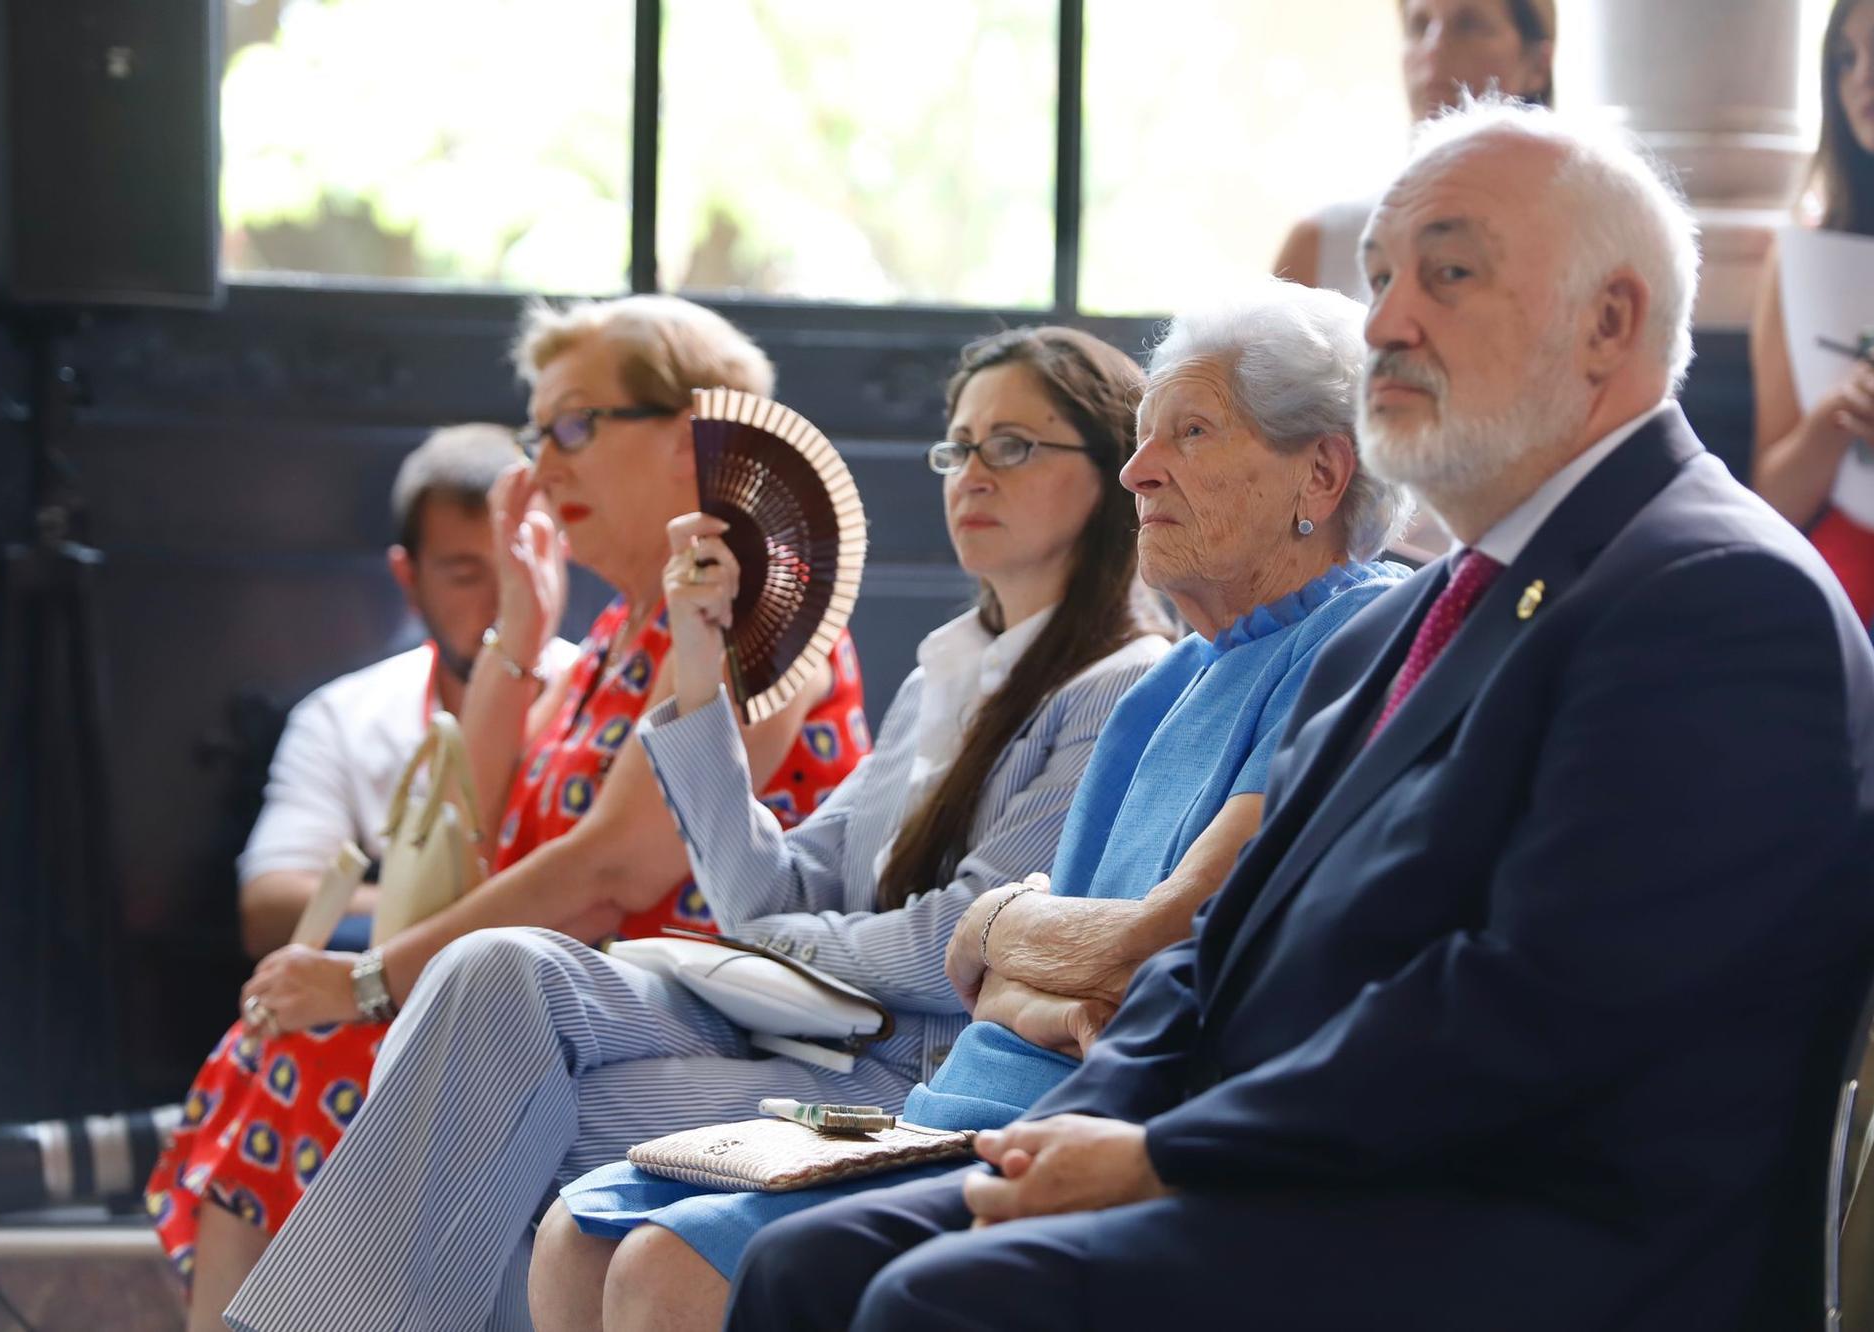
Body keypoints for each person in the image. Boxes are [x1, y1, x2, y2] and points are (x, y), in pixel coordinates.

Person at [726, 99, 1874, 1332]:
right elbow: (1212, 949)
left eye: (1446, 273)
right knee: (805, 1260)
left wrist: (1166, 1158)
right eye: (1382, 275)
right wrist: (1089, 1125)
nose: (1386, 322)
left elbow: (1535, 1006)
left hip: (1526, 1235)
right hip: (1308, 1173)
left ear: (1607, 321)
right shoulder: (1416, 613)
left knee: (938, 1302)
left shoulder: (1713, 594)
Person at [219, 325, 1175, 1332]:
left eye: (1012, 445)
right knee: (489, 970)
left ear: (1114, 470)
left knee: (496, 1116)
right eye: (957, 445)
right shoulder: (942, 674)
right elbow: (763, 891)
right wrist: (694, 662)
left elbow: (961, 944)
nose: (969, 473)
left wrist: (780, 939)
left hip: (903, 1072)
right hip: (786, 1020)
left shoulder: (1118, 687)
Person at [536, 283, 1413, 1332]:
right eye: (958, 450)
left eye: (1186, 433)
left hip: (1029, 1108)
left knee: (656, 1262)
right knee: (575, 1236)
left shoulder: (1350, 642)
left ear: (1319, 470)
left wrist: (998, 932)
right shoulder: (1160, 686)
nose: (1143, 469)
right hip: (957, 1083)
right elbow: (1000, 977)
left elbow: (1147, 949)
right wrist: (698, 654)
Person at [147, 295, 870, 1331]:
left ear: (692, 434)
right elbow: (462, 842)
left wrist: (360, 983)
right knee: (281, 1046)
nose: (545, 464)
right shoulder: (619, 629)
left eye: (575, 425)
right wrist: (520, 631)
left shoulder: (755, 603)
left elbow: (613, 870)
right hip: (558, 1001)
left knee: (321, 1049)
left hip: (698, 1022)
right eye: (538, 433)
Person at [236, 423, 574, 959]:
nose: (507, 604)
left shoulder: (606, 693)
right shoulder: (342, 718)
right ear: (408, 580)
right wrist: (485, 909)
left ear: (560, 554)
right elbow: (269, 907)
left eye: (521, 566)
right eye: (465, 575)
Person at [1751, 0, 1874, 625]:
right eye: (1844, 58)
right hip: (1852, 558)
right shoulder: (1802, 261)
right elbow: (1772, 502)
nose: (1863, 74)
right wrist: (1835, 419)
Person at [1272, 0, 1555, 299]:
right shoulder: (1322, 247)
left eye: (1469, 24)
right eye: (1419, 25)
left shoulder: (1581, 241)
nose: (1434, 46)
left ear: (1538, 64)